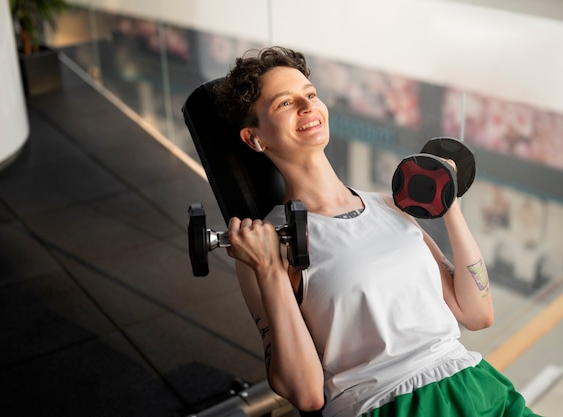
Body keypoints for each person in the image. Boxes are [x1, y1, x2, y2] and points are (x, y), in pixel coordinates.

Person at [214, 46, 539, 417]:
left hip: (478, 385)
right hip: (385, 404)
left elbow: (476, 313)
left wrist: (450, 205)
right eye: (284, 103)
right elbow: (305, 395)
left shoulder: (389, 206)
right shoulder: (269, 244)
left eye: (310, 95)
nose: (307, 107)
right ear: (255, 138)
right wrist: (269, 271)